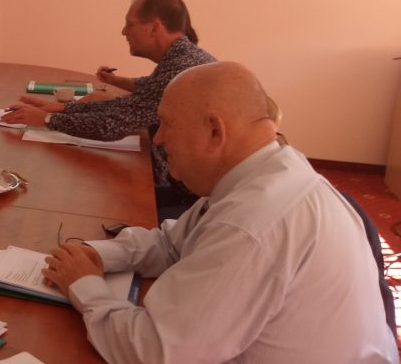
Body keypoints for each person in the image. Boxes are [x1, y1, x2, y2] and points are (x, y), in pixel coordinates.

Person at [41, 62, 399, 363]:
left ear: (215, 131)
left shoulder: (254, 222)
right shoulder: (268, 170)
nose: (159, 138)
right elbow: (172, 243)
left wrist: (84, 285)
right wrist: (97, 256)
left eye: (167, 123)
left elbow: (156, 352)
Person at [2, 0, 215, 216]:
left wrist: (47, 119)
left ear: (154, 27)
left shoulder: (179, 69)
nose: (124, 31)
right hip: (191, 192)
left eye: (130, 24)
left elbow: (111, 125)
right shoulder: (184, 58)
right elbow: (127, 105)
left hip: (190, 203)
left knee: (87, 199)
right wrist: (64, 108)